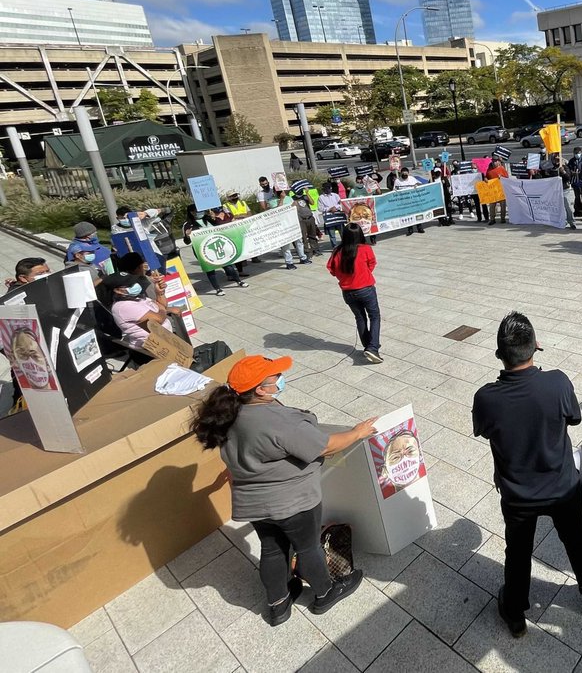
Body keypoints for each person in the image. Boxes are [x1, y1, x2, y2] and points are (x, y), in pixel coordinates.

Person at [189, 354, 375, 625]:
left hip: (253, 503)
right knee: (308, 547)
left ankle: (278, 603)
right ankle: (325, 593)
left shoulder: (227, 413)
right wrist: (358, 432)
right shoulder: (277, 421)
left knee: (272, 549)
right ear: (261, 390)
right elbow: (325, 446)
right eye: (275, 377)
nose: (280, 379)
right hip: (293, 502)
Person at [472, 312, 582, 637]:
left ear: (499, 354)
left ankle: (515, 613)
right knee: (575, 536)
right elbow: (574, 419)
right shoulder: (558, 382)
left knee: (518, 550)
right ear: (536, 346)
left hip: (517, 493)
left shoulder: (486, 398)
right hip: (562, 484)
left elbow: (484, 430)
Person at [326, 223, 382, 363]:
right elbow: (372, 264)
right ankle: (373, 348)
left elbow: (331, 270)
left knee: (360, 318)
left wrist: (344, 277)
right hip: (366, 289)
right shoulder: (365, 249)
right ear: (360, 235)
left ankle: (368, 346)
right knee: (374, 316)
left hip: (348, 292)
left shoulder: (337, 251)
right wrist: (364, 273)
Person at [105, 270, 183, 347]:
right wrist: (163, 309)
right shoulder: (123, 306)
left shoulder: (136, 297)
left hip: (164, 341)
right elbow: (159, 319)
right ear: (118, 290)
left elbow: (161, 305)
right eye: (130, 285)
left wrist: (159, 293)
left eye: (134, 282)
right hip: (152, 348)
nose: (135, 285)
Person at [182, 205, 246, 296]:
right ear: (192, 212)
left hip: (217, 245)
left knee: (227, 265)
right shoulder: (187, 224)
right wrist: (187, 236)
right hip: (202, 250)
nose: (201, 213)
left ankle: (239, 281)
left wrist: (214, 219)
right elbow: (186, 242)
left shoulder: (208, 219)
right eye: (197, 211)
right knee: (210, 269)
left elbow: (219, 228)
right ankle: (217, 289)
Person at [391, 167, 426, 235]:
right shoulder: (397, 181)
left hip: (414, 200)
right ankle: (410, 229)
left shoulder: (412, 179)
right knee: (407, 215)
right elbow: (394, 190)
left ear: (408, 173)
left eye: (406, 173)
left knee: (417, 213)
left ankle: (419, 227)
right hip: (404, 202)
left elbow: (420, 184)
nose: (404, 174)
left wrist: (417, 185)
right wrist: (395, 191)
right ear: (401, 173)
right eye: (403, 173)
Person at [317, 182, 347, 248]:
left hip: (338, 216)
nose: (328, 190)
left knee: (342, 232)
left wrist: (335, 207)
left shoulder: (335, 195)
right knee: (332, 233)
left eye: (329, 188)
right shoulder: (321, 198)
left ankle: (345, 245)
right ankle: (335, 246)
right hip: (329, 217)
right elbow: (320, 208)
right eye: (326, 189)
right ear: (323, 189)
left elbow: (341, 204)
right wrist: (329, 209)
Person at [486, 159, 510, 225]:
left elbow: (507, 178)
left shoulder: (502, 169)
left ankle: (503, 218)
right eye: (493, 162)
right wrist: (485, 179)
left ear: (498, 162)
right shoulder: (489, 169)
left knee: (503, 205)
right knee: (492, 205)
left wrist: (501, 177)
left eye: (495, 161)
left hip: (501, 190)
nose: (494, 163)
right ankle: (492, 219)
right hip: (492, 190)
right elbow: (486, 177)